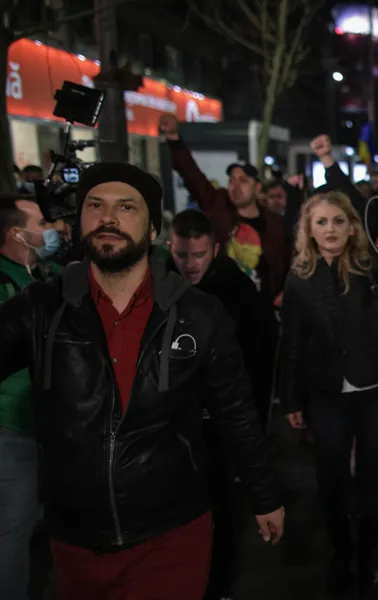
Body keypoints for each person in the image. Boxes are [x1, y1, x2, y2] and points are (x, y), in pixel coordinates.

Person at [0, 163, 284, 600]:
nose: (108, 218)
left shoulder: (199, 314)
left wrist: (263, 494)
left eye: (126, 207)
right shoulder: (42, 307)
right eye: (95, 205)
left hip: (172, 533)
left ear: (153, 230)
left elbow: (235, 412)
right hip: (77, 539)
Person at [281, 190, 378, 596]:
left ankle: (367, 559)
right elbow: (290, 341)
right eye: (321, 221)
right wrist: (290, 398)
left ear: (351, 227)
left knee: (372, 481)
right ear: (308, 229)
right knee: (330, 481)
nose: (330, 229)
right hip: (326, 393)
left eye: (338, 221)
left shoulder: (368, 263)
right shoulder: (299, 276)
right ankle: (341, 556)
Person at [167, 208, 269, 600]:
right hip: (170, 422)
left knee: (220, 510)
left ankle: (219, 584)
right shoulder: (156, 287)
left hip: (219, 421)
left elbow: (258, 360)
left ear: (216, 249)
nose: (190, 264)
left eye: (199, 255)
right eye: (182, 255)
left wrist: (252, 425)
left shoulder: (240, 292)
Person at [0, 194, 62, 600]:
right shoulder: (5, 284)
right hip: (11, 426)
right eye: (41, 222)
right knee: (13, 529)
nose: (50, 231)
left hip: (33, 423)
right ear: (16, 232)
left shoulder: (29, 276)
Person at [159, 113, 289, 301]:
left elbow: (285, 262)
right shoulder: (217, 204)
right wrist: (173, 138)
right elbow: (193, 176)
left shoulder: (273, 223)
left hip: (261, 308)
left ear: (257, 187)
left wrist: (282, 292)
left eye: (243, 181)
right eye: (232, 180)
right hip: (220, 303)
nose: (236, 187)